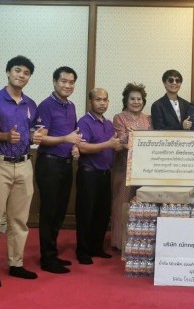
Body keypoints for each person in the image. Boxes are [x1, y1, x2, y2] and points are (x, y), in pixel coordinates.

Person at [0, 56, 40, 288]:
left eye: (26, 73)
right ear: (7, 72)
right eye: (17, 70)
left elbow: (31, 131)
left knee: (20, 220)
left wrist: (35, 136)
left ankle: (16, 264)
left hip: (25, 164)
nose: (21, 75)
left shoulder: (30, 104)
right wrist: (4, 136)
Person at [35, 67, 82, 274]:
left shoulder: (71, 106)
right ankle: (47, 259)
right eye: (63, 81)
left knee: (60, 211)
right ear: (54, 82)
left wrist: (74, 147)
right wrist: (65, 139)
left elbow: (73, 135)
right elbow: (40, 138)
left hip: (66, 163)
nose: (67, 85)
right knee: (49, 211)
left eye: (71, 82)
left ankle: (52, 254)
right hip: (49, 164)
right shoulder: (46, 105)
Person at [75, 88, 122, 264]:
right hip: (89, 174)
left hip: (105, 174)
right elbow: (82, 147)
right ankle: (82, 251)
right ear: (90, 102)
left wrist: (122, 144)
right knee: (86, 213)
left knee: (102, 213)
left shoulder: (108, 124)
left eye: (105, 100)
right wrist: (107, 144)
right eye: (98, 100)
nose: (102, 103)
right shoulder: (84, 121)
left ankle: (96, 247)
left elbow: (112, 146)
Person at [111, 83, 153, 250]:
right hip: (124, 166)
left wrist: (132, 134)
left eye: (139, 99)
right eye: (132, 99)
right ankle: (120, 242)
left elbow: (152, 140)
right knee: (122, 203)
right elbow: (120, 140)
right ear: (126, 101)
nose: (136, 102)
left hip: (144, 168)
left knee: (140, 204)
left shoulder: (148, 119)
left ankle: (139, 243)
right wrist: (131, 136)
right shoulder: (119, 117)